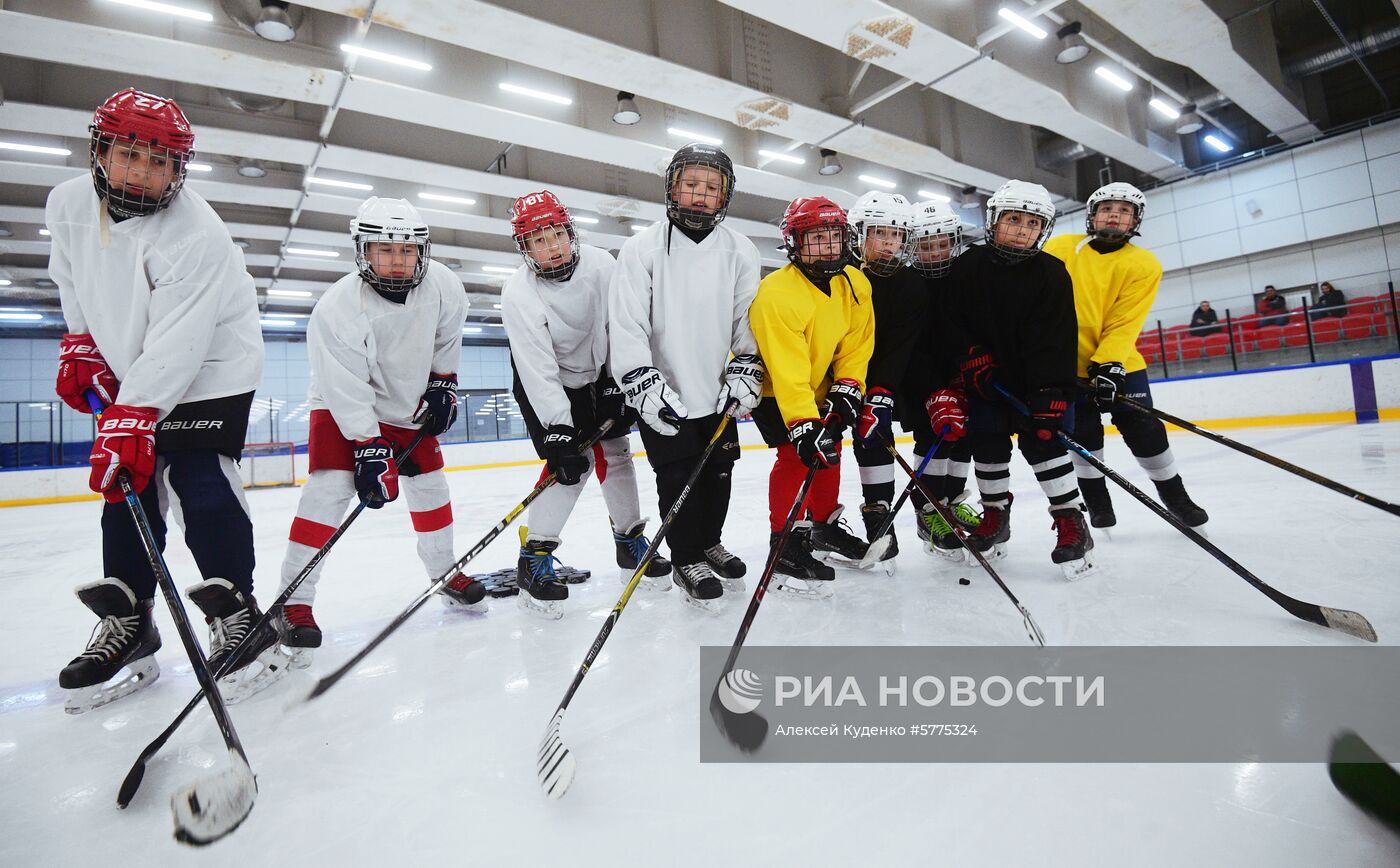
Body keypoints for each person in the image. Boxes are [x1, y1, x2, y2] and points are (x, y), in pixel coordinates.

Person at [50, 88, 273, 712]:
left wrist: (134, 414)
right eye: (128, 155)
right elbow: (68, 275)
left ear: (180, 168)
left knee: (198, 477)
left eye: (160, 162)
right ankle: (131, 618)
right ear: (100, 152)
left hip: (212, 366)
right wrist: (81, 342)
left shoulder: (197, 232)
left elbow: (181, 341)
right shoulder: (67, 202)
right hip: (132, 360)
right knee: (129, 482)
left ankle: (237, 612)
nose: (143, 173)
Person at [274, 197, 479, 663]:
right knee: (328, 491)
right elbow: (345, 385)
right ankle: (294, 599)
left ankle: (444, 573)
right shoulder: (338, 308)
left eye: (406, 251)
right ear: (363, 251)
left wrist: (443, 384)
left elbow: (447, 339)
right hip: (343, 404)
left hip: (407, 403)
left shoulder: (444, 285)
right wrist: (368, 446)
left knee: (431, 488)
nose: (396, 260)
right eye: (384, 250)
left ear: (421, 252)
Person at [609, 143, 763, 612]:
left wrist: (747, 366)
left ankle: (710, 542)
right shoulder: (641, 248)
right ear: (673, 187)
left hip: (717, 392)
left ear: (725, 196)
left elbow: (747, 319)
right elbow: (627, 322)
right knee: (677, 479)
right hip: (665, 392)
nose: (700, 195)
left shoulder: (740, 249)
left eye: (711, 188)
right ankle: (686, 557)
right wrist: (640, 381)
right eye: (691, 185)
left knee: (719, 474)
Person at [501, 190, 667, 620]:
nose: (552, 246)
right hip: (548, 381)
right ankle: (534, 555)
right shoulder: (519, 292)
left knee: (617, 453)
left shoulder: (602, 265)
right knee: (569, 466)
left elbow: (621, 326)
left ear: (569, 232)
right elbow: (536, 366)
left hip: (599, 373)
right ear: (525, 247)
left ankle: (629, 540)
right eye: (539, 240)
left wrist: (618, 378)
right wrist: (558, 427)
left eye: (556, 234)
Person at [941, 180, 1096, 581]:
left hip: (1036, 384)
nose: (1023, 229)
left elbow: (1058, 337)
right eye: (1014, 220)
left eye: (1032, 223)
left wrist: (1050, 391)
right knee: (988, 444)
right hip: (986, 382)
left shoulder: (1051, 273)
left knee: (1044, 444)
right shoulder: (966, 267)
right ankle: (994, 516)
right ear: (994, 222)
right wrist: (969, 356)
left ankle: (1070, 520)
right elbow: (950, 321)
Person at [1044, 182, 1209, 533]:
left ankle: (1175, 497)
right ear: (1092, 215)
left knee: (1146, 430)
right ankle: (1098, 502)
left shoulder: (1144, 263)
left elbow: (1126, 320)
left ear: (1135, 221)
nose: (1115, 216)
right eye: (1107, 209)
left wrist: (1108, 363)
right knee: (1084, 435)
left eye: (1124, 211)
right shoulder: (1061, 248)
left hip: (1120, 364)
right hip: (1067, 369)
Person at [750, 196, 874, 598]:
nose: (827, 246)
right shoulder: (776, 293)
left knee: (830, 447)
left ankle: (822, 526)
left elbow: (857, 344)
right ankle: (784, 545)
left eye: (834, 236)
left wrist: (848, 386)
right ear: (794, 243)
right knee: (795, 454)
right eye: (815, 237)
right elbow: (786, 370)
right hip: (776, 389)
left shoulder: (855, 283)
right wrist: (804, 421)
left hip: (822, 383)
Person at [842, 190, 918, 570]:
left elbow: (900, 344)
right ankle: (815, 524)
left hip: (878, 381)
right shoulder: (838, 273)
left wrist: (881, 393)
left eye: (897, 235)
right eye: (881, 234)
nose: (890, 244)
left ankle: (879, 519)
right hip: (836, 378)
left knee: (874, 439)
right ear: (859, 234)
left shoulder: (910, 283)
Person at [904, 201, 981, 561]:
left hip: (963, 374)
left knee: (962, 437)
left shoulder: (965, 277)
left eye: (941, 244)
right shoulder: (907, 284)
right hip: (922, 380)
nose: (935, 253)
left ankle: (950, 501)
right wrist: (935, 390)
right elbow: (911, 345)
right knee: (932, 436)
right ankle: (929, 512)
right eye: (925, 245)